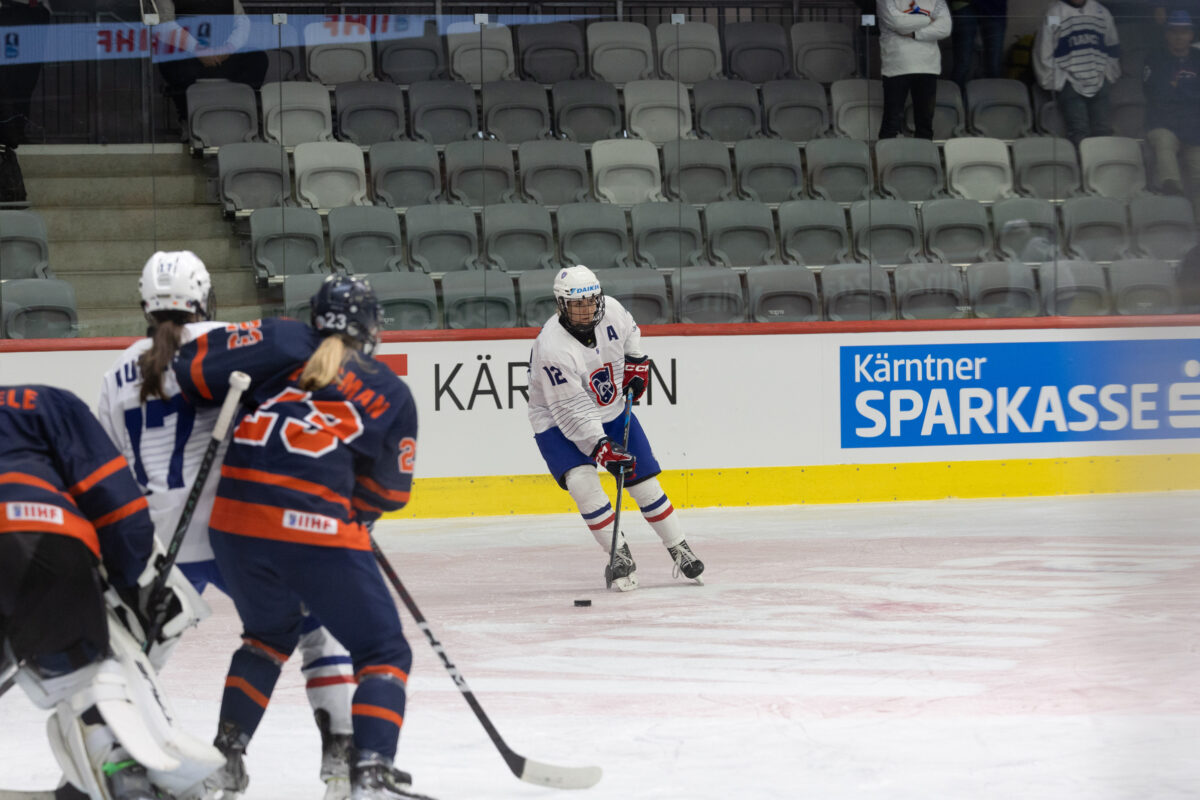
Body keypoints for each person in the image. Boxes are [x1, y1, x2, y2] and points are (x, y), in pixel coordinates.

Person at [95, 251, 359, 800]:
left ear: (144, 303)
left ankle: (122, 759)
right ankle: (341, 752)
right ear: (204, 297)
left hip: (159, 541)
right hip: (239, 529)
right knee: (316, 628)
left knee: (138, 655)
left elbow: (110, 470)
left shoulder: (115, 370)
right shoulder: (226, 339)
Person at [172, 276, 426, 800]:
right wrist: (346, 504)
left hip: (234, 523)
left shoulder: (281, 354)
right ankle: (371, 772)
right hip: (311, 527)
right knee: (383, 650)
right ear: (370, 327)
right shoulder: (390, 390)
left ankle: (227, 757)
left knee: (267, 636)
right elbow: (387, 494)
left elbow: (190, 368)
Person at [1, 383, 222, 800]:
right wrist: (133, 577)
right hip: (37, 537)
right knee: (83, 680)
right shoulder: (46, 401)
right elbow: (112, 497)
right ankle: (122, 773)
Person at [526, 265, 705, 592]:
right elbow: (571, 410)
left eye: (591, 301)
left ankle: (679, 547)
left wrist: (636, 360)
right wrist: (600, 447)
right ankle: (618, 553)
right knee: (582, 483)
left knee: (644, 482)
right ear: (561, 305)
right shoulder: (552, 347)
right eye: (577, 305)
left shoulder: (614, 310)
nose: (586, 310)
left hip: (609, 407)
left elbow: (631, 333)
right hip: (556, 417)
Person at [152, 0, 268, 129]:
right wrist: (198, 50)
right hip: (188, 58)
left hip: (223, 56)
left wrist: (229, 48)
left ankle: (243, 115)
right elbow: (165, 25)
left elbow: (242, 21)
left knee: (257, 59)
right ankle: (187, 121)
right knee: (173, 62)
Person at [1033, 0, 1121, 146]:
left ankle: (1103, 168)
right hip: (1070, 83)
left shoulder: (1101, 12)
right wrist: (1060, 80)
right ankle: (1084, 168)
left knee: (1103, 131)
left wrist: (1108, 74)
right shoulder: (1055, 13)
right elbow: (1045, 49)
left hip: (1099, 81)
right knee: (1080, 132)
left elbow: (1113, 46)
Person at [1144, 11, 1200, 219]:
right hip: (1163, 123)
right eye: (1174, 31)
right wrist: (1190, 90)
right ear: (1167, 34)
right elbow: (1157, 93)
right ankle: (1171, 187)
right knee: (1164, 142)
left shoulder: (1197, 58)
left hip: (1194, 129)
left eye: (1184, 32)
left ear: (1191, 35)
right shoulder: (1156, 57)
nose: (1179, 36)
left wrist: (1180, 87)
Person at [877, 0, 953, 140]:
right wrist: (929, 19)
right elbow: (897, 23)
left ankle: (924, 160)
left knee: (925, 124)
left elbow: (945, 28)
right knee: (891, 123)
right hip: (897, 65)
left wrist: (914, 34)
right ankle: (886, 160)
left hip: (928, 66)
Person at [0, 0, 51, 201]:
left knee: (27, 75)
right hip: (11, 11)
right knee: (11, 73)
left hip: (35, 12)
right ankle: (10, 132)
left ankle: (18, 130)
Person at [950, 0, 1008, 89]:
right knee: (962, 63)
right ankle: (953, 99)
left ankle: (991, 100)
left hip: (995, 7)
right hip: (965, 5)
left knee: (993, 65)